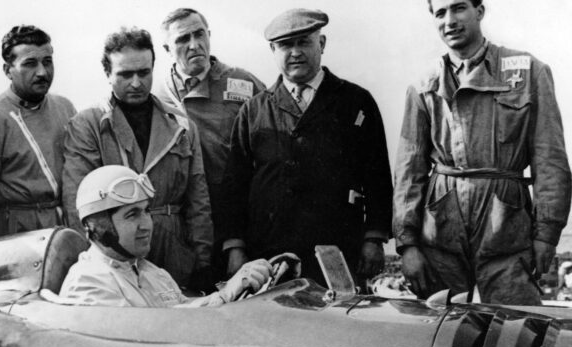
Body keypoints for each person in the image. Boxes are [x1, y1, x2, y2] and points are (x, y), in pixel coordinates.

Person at [393, 0, 571, 305]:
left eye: (459, 8)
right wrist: (407, 244)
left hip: (506, 230)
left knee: (516, 330)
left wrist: (546, 235)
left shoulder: (528, 72)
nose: (450, 20)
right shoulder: (423, 85)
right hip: (440, 232)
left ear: (480, 11)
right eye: (440, 12)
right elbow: (409, 169)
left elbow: (550, 159)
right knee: (442, 332)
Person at [221, 9, 392, 286]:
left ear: (321, 44)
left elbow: (378, 177)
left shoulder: (356, 102)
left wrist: (374, 237)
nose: (295, 52)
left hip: (336, 250)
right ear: (273, 50)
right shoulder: (253, 111)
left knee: (336, 324)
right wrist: (235, 246)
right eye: (286, 45)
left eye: (304, 42)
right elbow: (234, 185)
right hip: (268, 254)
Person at [62, 26, 213, 290]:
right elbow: (79, 204)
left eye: (144, 73)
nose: (136, 83)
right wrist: (98, 259)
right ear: (108, 74)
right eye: (125, 74)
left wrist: (202, 261)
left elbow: (198, 199)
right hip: (117, 252)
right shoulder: (88, 125)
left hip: (173, 248)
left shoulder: (181, 125)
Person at [60, 165, 272, 307]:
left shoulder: (154, 273)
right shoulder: (88, 283)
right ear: (99, 227)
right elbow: (143, 339)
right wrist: (224, 295)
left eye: (146, 212)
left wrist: (238, 289)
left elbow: (185, 312)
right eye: (132, 215)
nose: (146, 225)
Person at [155, 8, 265, 276]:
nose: (194, 45)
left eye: (199, 34)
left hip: (238, 222)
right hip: (184, 226)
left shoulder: (244, 83)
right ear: (168, 48)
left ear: (209, 36)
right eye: (183, 39)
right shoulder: (157, 96)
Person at [0, 25, 76, 238]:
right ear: (7, 70)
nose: (42, 72)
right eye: (30, 64)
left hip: (65, 226)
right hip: (16, 232)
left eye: (47, 62)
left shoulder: (64, 107)